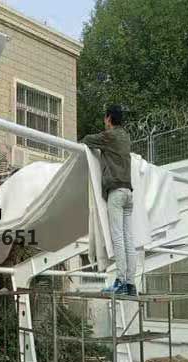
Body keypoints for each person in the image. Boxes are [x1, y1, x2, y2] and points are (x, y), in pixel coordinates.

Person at [82, 105, 136, 295]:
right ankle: (130, 284)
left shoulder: (110, 136)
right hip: (128, 192)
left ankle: (120, 281)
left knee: (118, 238)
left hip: (116, 192)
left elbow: (88, 140)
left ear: (109, 118)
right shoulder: (125, 136)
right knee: (129, 240)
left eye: (105, 118)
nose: (104, 122)